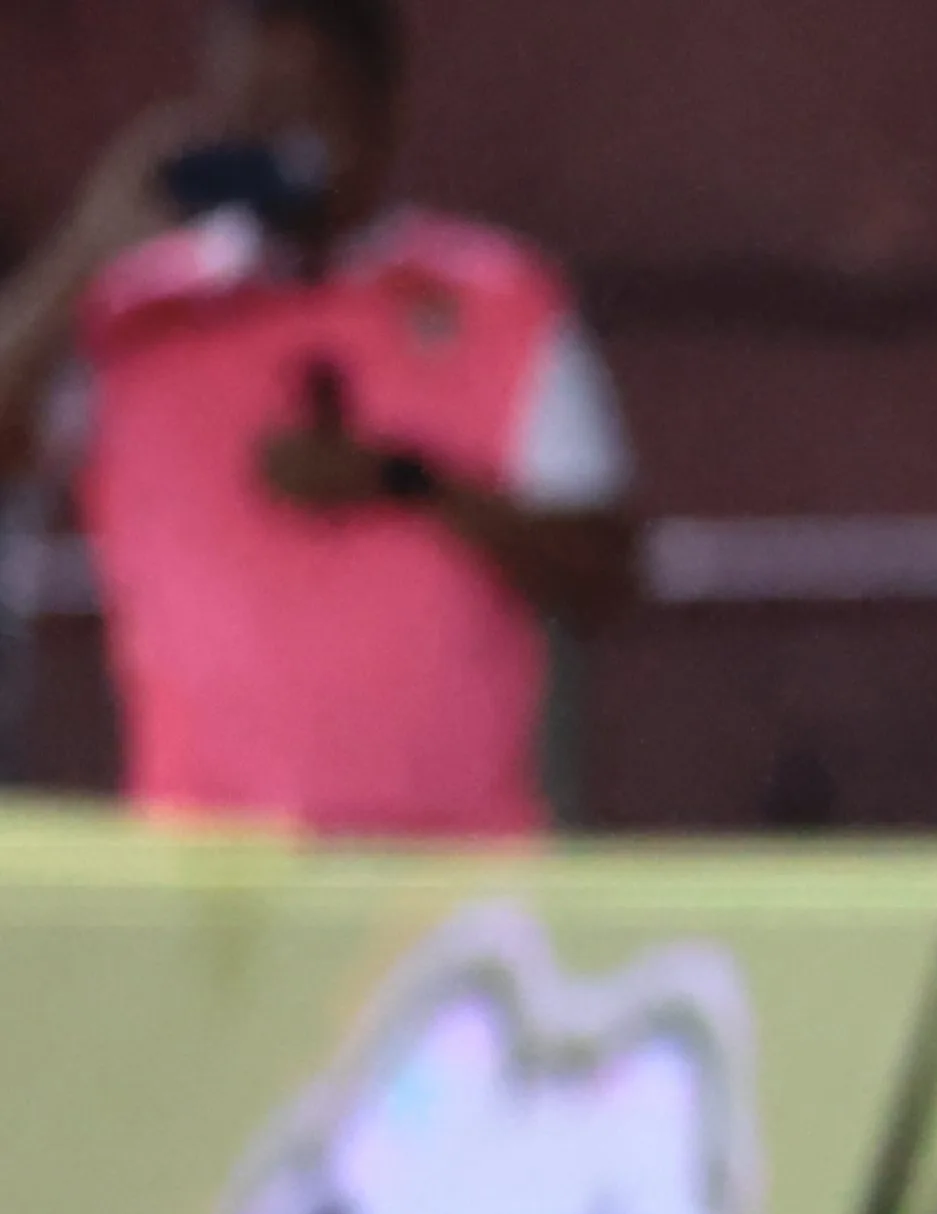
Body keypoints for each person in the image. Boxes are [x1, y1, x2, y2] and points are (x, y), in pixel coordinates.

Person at [0, 0, 639, 838]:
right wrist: (88, 243)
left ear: (382, 110)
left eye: (313, 106)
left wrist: (400, 479)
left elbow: (604, 569)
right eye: (259, 109)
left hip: (442, 874)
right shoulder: (138, 317)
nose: (289, 140)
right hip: (208, 877)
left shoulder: (494, 302)